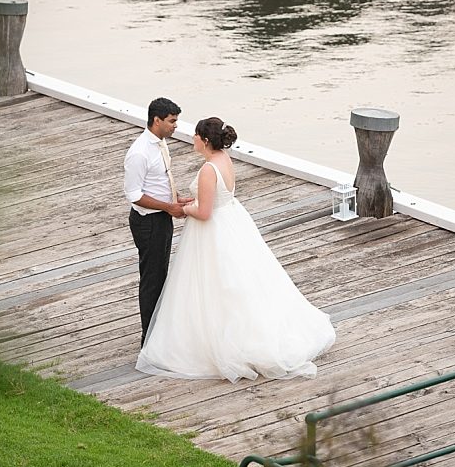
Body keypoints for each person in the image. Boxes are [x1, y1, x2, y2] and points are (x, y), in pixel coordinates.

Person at [136, 117, 336, 382]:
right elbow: (215, 198)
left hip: (212, 230)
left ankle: (217, 342)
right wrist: (192, 201)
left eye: (195, 135)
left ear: (205, 141)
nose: (192, 138)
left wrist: (181, 209)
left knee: (213, 285)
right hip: (231, 219)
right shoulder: (224, 159)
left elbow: (205, 212)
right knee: (241, 281)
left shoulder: (208, 169)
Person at [124, 97, 194, 345]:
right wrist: (168, 207)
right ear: (157, 120)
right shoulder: (139, 153)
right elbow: (134, 194)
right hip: (149, 222)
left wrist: (176, 199)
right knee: (152, 279)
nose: (176, 126)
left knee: (162, 275)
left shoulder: (161, 144)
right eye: (172, 121)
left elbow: (158, 182)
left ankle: (159, 332)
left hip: (163, 217)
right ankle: (149, 339)